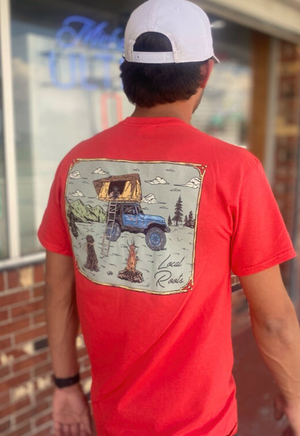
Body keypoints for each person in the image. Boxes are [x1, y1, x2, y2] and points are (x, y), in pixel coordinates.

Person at [38, 0, 300, 434]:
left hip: (112, 420)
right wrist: (294, 393)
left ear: (127, 72)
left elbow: (57, 289)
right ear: (205, 73)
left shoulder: (75, 164)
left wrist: (65, 384)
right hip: (202, 424)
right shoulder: (235, 170)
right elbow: (274, 319)